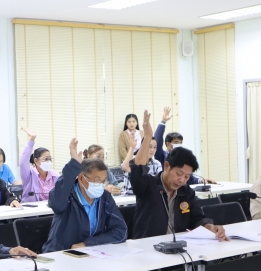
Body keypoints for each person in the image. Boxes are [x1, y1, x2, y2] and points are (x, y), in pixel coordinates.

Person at [130, 111, 228, 240]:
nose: (182, 180)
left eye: (187, 176)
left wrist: (210, 227)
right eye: (179, 174)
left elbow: (197, 218)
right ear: (166, 166)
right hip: (149, 246)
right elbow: (137, 170)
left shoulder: (186, 191)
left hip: (180, 245)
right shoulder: (149, 185)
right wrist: (148, 136)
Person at [42, 138, 127, 253]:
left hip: (90, 254)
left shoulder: (104, 197)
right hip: (61, 254)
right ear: (81, 178)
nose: (101, 185)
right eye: (97, 180)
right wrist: (73, 166)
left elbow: (121, 231)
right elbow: (56, 203)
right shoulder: (68, 196)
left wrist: (87, 244)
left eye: (104, 181)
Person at [153, 106, 216, 185]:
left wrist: (201, 180)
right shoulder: (161, 156)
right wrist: (163, 121)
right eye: (176, 142)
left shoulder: (183, 157)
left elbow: (190, 178)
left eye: (181, 142)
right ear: (168, 144)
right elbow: (157, 141)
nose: (179, 145)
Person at [19, 128, 59, 202]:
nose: (49, 162)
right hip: (31, 208)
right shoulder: (29, 174)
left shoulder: (55, 176)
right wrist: (31, 139)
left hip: (50, 208)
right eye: (46, 159)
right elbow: (23, 162)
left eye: (50, 159)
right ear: (36, 161)